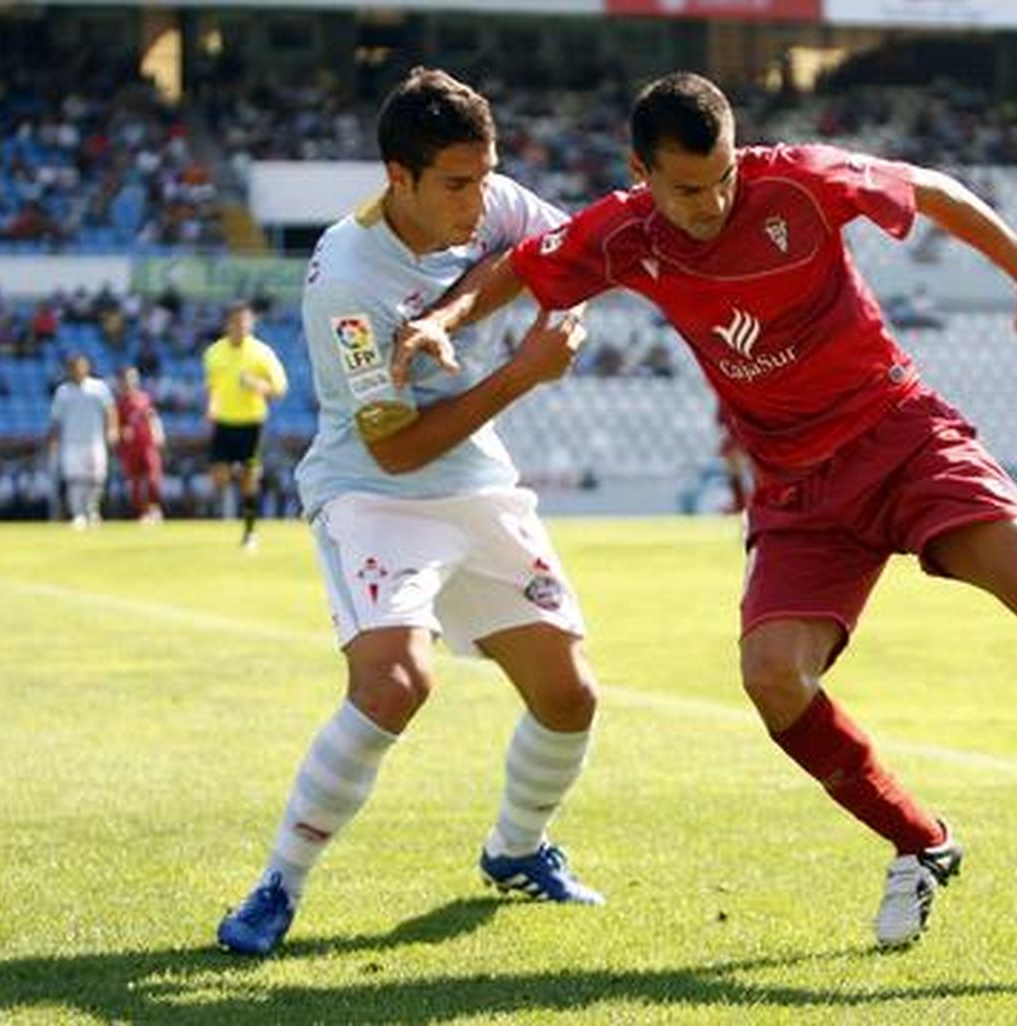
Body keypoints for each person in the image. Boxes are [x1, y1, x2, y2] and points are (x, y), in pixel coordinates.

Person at [397, 72, 1017, 949]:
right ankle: (920, 842)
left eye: (721, 182)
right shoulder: (622, 233)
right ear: (642, 175)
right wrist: (446, 320)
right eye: (686, 191)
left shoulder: (796, 177)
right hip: (797, 493)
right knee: (771, 676)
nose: (710, 206)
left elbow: (931, 189)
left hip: (901, 435)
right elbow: (518, 267)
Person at [216, 67, 604, 958]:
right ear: (400, 178)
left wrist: (548, 303)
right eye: (457, 186)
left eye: (486, 176)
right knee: (397, 682)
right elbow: (395, 449)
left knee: (569, 695)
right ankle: (280, 883)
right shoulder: (348, 282)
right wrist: (522, 371)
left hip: (476, 480)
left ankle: (516, 851)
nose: (482, 202)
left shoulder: (491, 196)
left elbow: (572, 252)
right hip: (375, 491)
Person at [203, 300, 288, 549]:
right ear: (227, 324)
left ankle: (250, 531)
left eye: (244, 321)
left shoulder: (262, 353)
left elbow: (281, 389)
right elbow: (213, 386)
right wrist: (211, 405)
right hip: (224, 421)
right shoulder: (214, 353)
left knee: (250, 478)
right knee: (219, 476)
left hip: (252, 422)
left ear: (251, 323)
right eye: (235, 321)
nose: (240, 326)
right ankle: (234, 484)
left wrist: (258, 385)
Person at [47, 352, 116, 528]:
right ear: (69, 369)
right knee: (75, 480)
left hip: (94, 441)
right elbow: (56, 420)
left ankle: (92, 511)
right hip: (71, 442)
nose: (78, 369)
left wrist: (112, 429)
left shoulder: (99, 387)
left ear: (87, 367)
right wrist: (54, 440)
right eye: (75, 366)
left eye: (82, 365)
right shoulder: (63, 392)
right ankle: (78, 514)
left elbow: (110, 410)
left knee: (96, 478)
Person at [115, 366, 165, 522]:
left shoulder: (145, 398)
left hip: (147, 445)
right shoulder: (119, 403)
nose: (130, 382)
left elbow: (152, 417)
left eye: (133, 378)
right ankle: (142, 514)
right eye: (126, 378)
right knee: (135, 482)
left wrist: (158, 432)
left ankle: (155, 509)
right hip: (130, 448)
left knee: (153, 479)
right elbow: (116, 425)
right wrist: (121, 433)